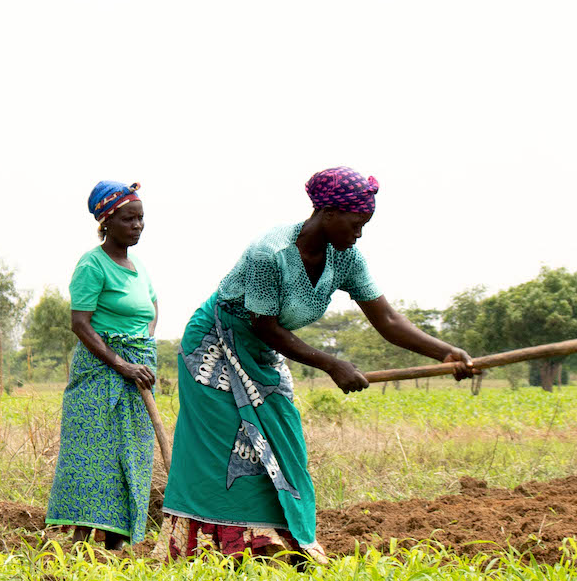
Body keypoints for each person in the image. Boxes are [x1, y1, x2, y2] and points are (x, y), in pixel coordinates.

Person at [161, 167, 473, 560]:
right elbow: (267, 327)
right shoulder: (269, 253)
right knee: (230, 446)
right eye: (356, 224)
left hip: (259, 350)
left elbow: (388, 320)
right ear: (327, 213)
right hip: (215, 346)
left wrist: (444, 352)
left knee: (283, 438)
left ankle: (274, 543)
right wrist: (332, 364)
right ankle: (218, 549)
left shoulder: (346, 259)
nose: (359, 234)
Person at [45, 181, 159, 549]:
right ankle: (78, 540)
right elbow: (80, 323)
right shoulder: (92, 264)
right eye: (129, 218)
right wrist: (121, 362)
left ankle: (117, 544)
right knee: (93, 458)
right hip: (100, 375)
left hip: (139, 374)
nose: (137, 225)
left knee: (134, 456)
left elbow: (152, 308)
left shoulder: (138, 267)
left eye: (141, 218)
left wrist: (144, 344)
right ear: (107, 221)